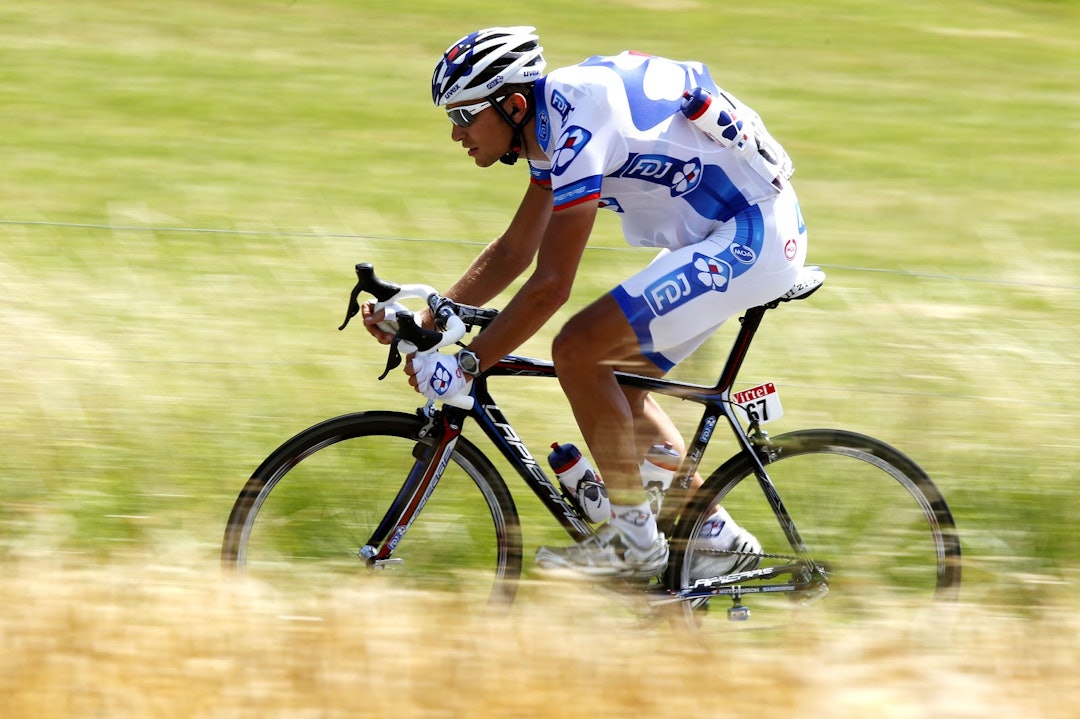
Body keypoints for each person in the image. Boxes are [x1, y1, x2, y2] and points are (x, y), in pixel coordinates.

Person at [363, 26, 807, 579]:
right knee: (617, 383)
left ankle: (634, 540)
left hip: (753, 234)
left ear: (512, 104)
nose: (456, 135)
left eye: (463, 117)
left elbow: (552, 284)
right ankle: (713, 534)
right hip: (721, 234)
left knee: (579, 349)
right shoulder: (552, 124)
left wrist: (468, 362)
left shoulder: (576, 126)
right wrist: (428, 317)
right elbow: (512, 252)